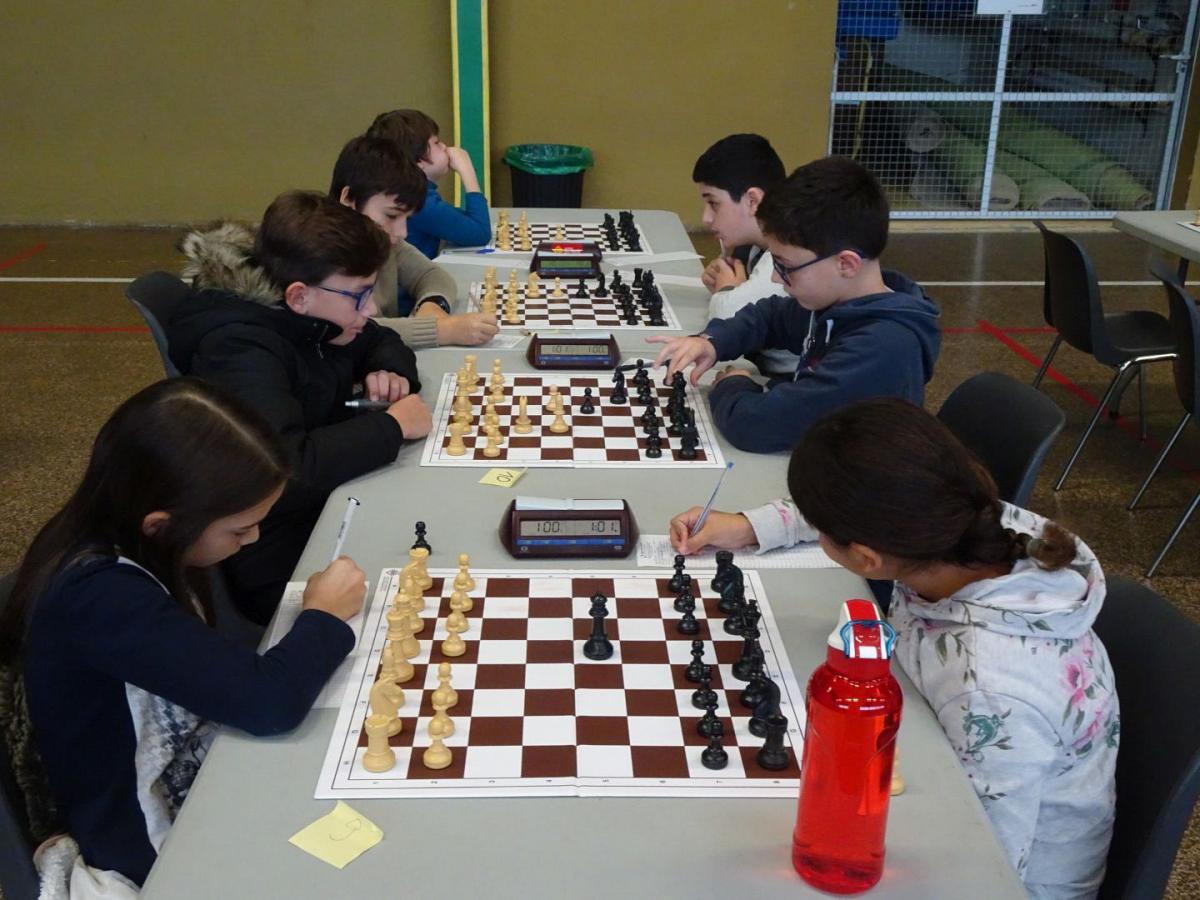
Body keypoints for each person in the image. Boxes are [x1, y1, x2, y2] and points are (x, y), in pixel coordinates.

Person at [674, 398, 1118, 898]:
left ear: (867, 558)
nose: (816, 528)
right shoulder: (970, 524)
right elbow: (863, 510)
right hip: (939, 752)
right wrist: (749, 526)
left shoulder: (989, 688)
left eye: (823, 528)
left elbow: (985, 866)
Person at [0, 378, 366, 894]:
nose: (253, 539)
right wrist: (324, 616)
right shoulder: (100, 597)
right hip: (147, 842)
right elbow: (269, 702)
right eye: (239, 530)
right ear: (159, 524)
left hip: (188, 773)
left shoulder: (113, 537)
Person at [175, 190, 430, 624]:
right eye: (359, 295)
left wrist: (387, 370)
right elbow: (283, 470)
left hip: (329, 503)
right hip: (278, 551)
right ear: (298, 297)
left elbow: (382, 338)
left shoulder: (312, 318)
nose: (370, 308)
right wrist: (391, 427)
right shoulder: (238, 350)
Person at [649, 156, 942, 454]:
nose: (775, 278)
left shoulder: (881, 348)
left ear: (846, 263)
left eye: (785, 266)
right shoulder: (841, 301)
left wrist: (733, 384)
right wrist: (712, 342)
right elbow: (770, 315)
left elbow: (758, 425)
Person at [329, 134, 498, 347]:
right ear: (348, 199)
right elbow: (353, 331)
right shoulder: (320, 254)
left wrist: (432, 305)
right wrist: (441, 330)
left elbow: (433, 275)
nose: (402, 232)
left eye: (406, 218)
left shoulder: (385, 242)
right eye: (391, 216)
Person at [692, 133, 796, 376]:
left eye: (714, 203)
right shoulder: (750, 247)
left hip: (787, 380)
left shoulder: (788, 252)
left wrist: (727, 291)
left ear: (752, 201)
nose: (706, 218)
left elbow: (726, 322)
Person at [367, 108, 492, 259]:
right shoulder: (421, 202)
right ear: (418, 160)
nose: (444, 147)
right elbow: (480, 233)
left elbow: (464, 220)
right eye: (437, 143)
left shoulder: (410, 192)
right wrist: (467, 171)